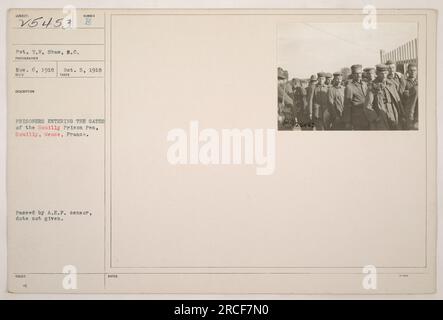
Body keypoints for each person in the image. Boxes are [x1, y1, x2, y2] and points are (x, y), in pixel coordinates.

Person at [364, 64, 405, 130]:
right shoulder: (372, 86)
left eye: (385, 73)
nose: (384, 76)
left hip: (393, 111)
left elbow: (398, 100)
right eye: (382, 74)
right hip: (381, 113)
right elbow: (367, 106)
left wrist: (402, 114)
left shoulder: (391, 84)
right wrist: (375, 117)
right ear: (377, 73)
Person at [343, 64, 369, 130]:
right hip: (357, 118)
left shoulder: (364, 84)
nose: (359, 75)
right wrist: (348, 121)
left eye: (360, 73)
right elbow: (347, 105)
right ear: (352, 74)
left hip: (367, 116)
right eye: (356, 73)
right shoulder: (349, 87)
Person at [400, 63, 418, 130]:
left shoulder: (419, 81)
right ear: (407, 71)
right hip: (408, 111)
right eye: (411, 70)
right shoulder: (404, 82)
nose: (413, 72)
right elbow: (400, 96)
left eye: (414, 70)